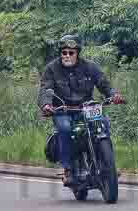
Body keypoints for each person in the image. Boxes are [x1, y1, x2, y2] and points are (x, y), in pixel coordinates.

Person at [37, 34, 125, 186]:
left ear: (77, 53)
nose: (67, 56)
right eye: (64, 52)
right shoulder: (52, 69)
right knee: (64, 128)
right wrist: (46, 105)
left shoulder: (90, 67)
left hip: (87, 107)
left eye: (71, 52)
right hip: (62, 109)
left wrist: (113, 95)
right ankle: (68, 169)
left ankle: (108, 166)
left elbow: (104, 84)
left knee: (103, 123)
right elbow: (45, 89)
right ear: (60, 53)